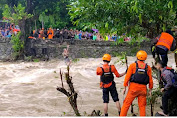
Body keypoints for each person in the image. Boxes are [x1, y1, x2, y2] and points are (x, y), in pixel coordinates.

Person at [120, 50, 153, 116]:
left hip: (133, 88)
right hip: (143, 89)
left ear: (137, 56)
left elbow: (127, 77)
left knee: (126, 104)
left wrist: (125, 87)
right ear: (145, 58)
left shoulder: (132, 65)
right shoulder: (148, 67)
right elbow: (150, 80)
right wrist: (150, 90)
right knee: (142, 106)